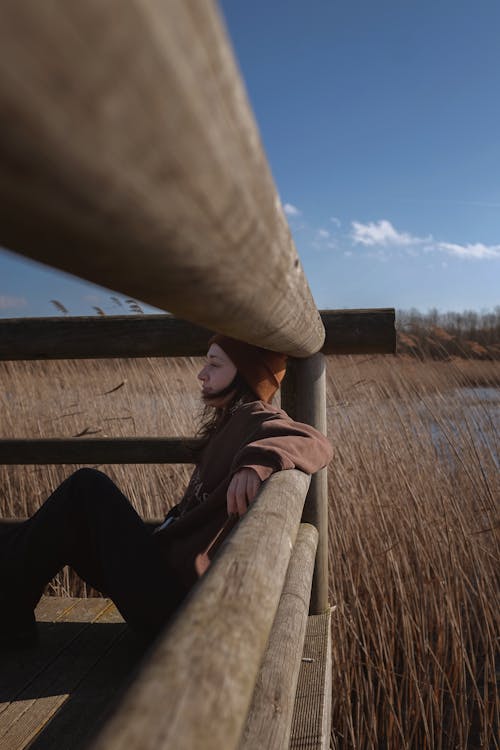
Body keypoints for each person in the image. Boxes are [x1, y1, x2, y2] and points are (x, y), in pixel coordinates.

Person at [0, 335, 332, 647]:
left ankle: (9, 614)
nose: (202, 374)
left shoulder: (256, 416)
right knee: (68, 524)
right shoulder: (229, 421)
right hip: (164, 579)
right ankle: (11, 617)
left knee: (87, 487)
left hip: (174, 604)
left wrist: (256, 462)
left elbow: (315, 441)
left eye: (215, 365)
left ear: (245, 373)